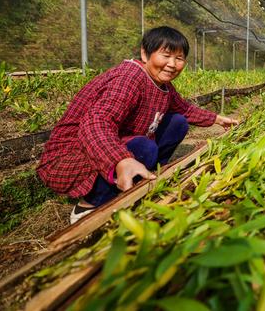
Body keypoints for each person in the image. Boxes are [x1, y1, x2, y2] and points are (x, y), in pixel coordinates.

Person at [37, 26, 238, 223]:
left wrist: (218, 119)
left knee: (177, 122)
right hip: (75, 152)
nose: (172, 64)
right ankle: (89, 204)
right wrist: (121, 159)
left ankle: (144, 179)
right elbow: (97, 122)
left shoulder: (161, 83)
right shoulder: (129, 77)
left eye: (179, 58)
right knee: (144, 148)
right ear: (145, 53)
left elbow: (183, 109)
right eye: (165, 55)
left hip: (116, 141)